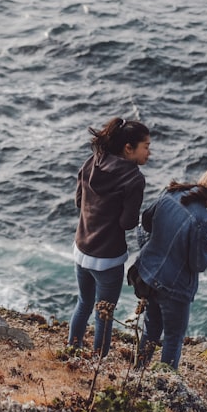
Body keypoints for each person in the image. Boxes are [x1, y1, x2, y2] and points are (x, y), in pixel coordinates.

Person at [133, 153, 207, 369]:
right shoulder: (203, 219)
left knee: (151, 330)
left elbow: (146, 220)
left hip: (149, 276)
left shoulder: (173, 192)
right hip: (174, 288)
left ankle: (137, 372)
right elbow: (198, 263)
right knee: (173, 338)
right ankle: (164, 384)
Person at [67, 117, 151, 357]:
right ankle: (97, 364)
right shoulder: (134, 179)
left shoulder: (92, 162)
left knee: (83, 304)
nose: (149, 153)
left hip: (82, 250)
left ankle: (71, 352)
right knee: (104, 314)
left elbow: (78, 201)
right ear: (128, 148)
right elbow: (126, 223)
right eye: (146, 147)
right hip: (107, 259)